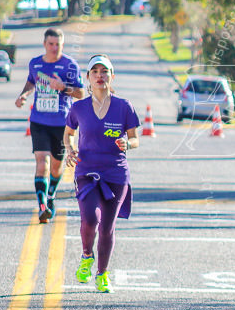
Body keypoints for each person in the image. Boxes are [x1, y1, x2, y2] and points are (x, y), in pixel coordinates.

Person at [63, 55, 140, 293]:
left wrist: (128, 143)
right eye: (95, 71)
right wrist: (69, 149)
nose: (99, 75)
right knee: (90, 219)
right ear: (88, 77)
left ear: (111, 76)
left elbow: (136, 138)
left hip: (116, 173)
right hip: (86, 171)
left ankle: (102, 274)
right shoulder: (79, 108)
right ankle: (87, 256)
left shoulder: (124, 106)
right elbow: (68, 133)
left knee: (107, 227)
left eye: (104, 71)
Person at [14, 28, 85, 223]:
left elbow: (80, 93)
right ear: (44, 44)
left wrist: (64, 88)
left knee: (56, 167)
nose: (54, 48)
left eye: (58, 45)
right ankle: (42, 205)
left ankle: (51, 194)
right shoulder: (35, 63)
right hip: (39, 122)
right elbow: (31, 82)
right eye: (51, 44)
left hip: (62, 124)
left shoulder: (70, 65)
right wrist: (24, 95)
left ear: (62, 45)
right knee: (42, 163)